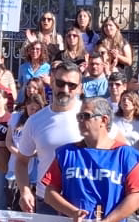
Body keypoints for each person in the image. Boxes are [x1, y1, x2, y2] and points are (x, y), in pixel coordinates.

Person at [10, 61, 85, 213]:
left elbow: (118, 149)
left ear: (80, 88)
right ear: (51, 82)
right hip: (46, 201)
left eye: (72, 85)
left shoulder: (92, 116)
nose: (65, 89)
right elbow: (22, 162)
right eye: (60, 83)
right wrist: (24, 190)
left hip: (81, 201)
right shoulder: (35, 120)